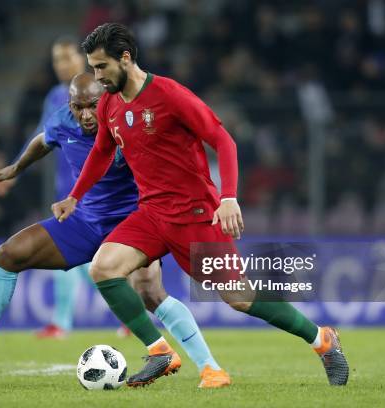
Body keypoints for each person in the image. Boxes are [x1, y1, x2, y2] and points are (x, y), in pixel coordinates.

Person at [52, 23, 349, 387]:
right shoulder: (111, 103)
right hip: (151, 214)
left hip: (195, 216)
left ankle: (322, 340)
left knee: (238, 296)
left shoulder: (170, 95)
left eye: (101, 67)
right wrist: (75, 195)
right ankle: (160, 351)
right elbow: (100, 152)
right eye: (93, 68)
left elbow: (224, 141)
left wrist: (227, 198)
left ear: (125, 59)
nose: (96, 76)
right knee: (104, 268)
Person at [0, 73, 231, 389]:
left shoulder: (125, 123)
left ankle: (209, 367)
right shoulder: (62, 120)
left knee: (149, 291)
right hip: (84, 221)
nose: (85, 115)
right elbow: (43, 140)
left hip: (133, 223)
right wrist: (18, 167)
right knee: (9, 253)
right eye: (77, 107)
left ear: (106, 101)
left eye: (92, 106)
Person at [0, 36, 89, 339]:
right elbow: (40, 137)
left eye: (67, 58)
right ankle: (63, 322)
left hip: (93, 192)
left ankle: (133, 311)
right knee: (74, 261)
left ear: (82, 58)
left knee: (92, 262)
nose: (61, 66)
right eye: (56, 60)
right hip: (64, 192)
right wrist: (16, 170)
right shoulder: (54, 97)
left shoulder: (98, 91)